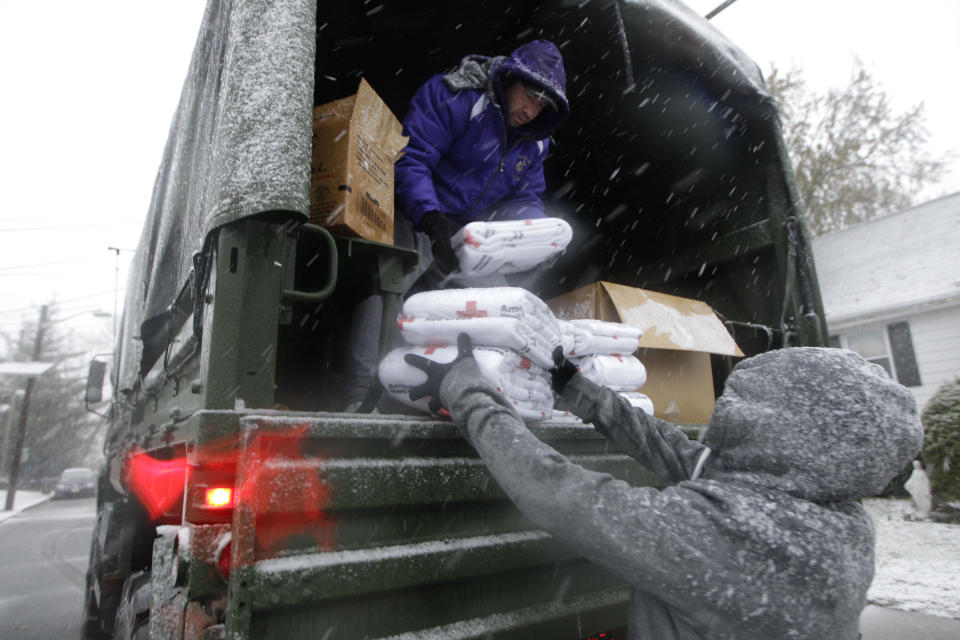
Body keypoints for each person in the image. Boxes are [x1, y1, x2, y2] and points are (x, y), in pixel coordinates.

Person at [405, 337, 923, 640]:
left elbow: (555, 493)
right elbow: (685, 457)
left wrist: (466, 388)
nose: (729, 406)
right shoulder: (837, 520)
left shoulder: (723, 537)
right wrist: (582, 394)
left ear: (787, 427)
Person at [344, 40, 570, 411]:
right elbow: (411, 159)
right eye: (528, 95)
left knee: (496, 307)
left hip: (467, 231)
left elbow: (524, 198)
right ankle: (361, 399)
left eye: (542, 104)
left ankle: (469, 402)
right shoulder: (455, 95)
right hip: (415, 212)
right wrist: (431, 219)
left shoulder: (534, 145)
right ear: (511, 79)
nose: (531, 110)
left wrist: (536, 235)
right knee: (387, 285)